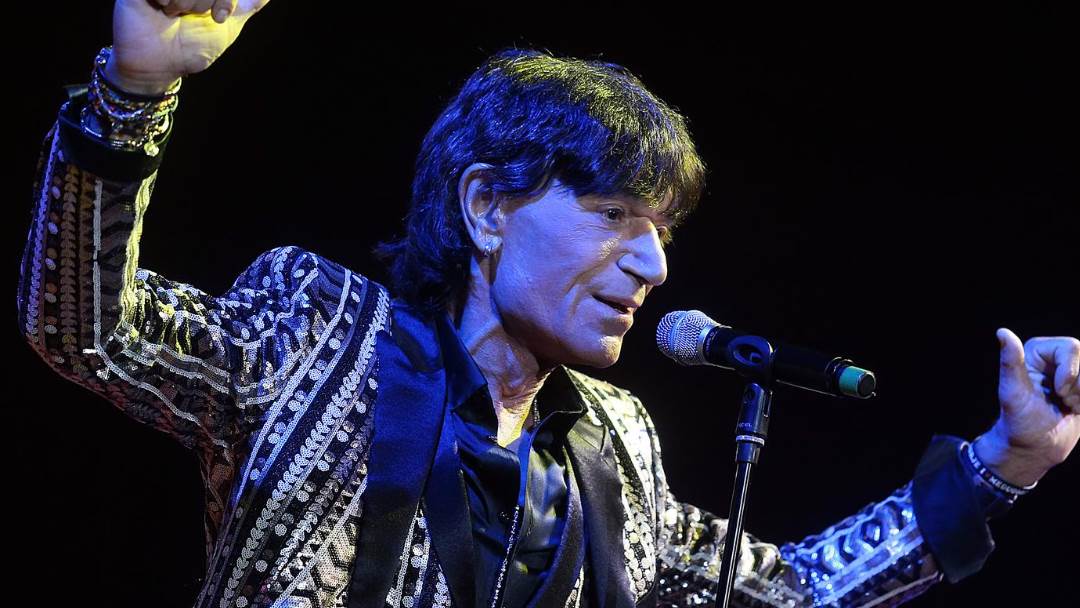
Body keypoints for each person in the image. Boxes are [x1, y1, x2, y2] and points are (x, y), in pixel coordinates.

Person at [16, 1, 1080, 607]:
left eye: (663, 229)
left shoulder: (617, 442)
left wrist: (1007, 461)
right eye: (616, 214)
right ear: (487, 205)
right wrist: (135, 91)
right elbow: (93, 335)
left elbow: (786, 591)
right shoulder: (320, 330)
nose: (653, 262)